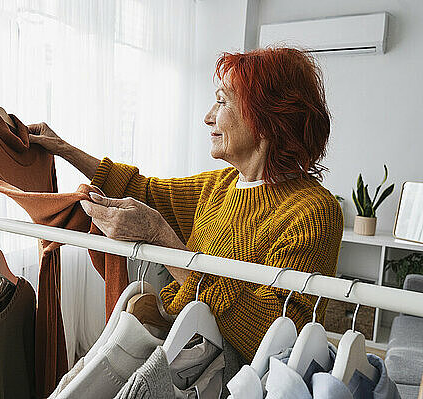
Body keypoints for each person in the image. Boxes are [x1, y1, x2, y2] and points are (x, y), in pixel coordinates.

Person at [27, 47, 343, 363]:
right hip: (178, 343)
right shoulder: (219, 185)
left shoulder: (314, 212)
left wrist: (162, 238)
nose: (208, 117)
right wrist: (63, 149)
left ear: (264, 119)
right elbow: (143, 191)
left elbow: (271, 337)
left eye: (222, 101)